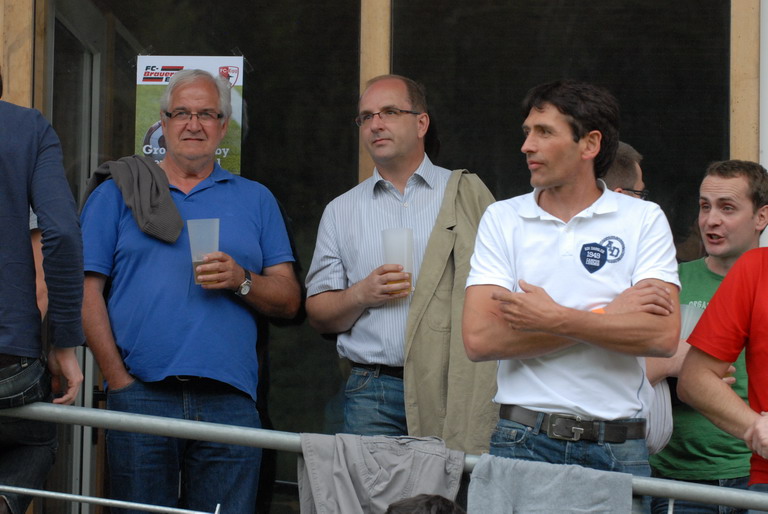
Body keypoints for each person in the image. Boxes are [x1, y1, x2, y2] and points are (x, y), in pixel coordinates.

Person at [80, 69, 300, 513]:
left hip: (230, 400)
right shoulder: (119, 193)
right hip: (141, 392)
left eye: (206, 114)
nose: (193, 124)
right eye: (181, 113)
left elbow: (289, 299)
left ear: (223, 125)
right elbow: (84, 293)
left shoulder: (256, 199)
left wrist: (241, 279)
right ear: (163, 122)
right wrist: (118, 381)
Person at [462, 79, 680, 476]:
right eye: (528, 132)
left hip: (617, 444)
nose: (527, 145)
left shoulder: (643, 219)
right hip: (525, 437)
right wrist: (607, 315)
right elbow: (480, 340)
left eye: (545, 132)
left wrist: (552, 318)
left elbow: (661, 338)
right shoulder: (503, 218)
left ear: (590, 144)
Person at [305, 74, 497, 453]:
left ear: (421, 123)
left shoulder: (463, 193)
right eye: (366, 117)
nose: (376, 124)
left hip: (452, 385)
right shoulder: (341, 210)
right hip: (374, 390)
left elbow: (501, 289)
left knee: (452, 490)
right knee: (373, 491)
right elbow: (319, 315)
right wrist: (361, 294)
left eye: (390, 112)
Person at [648, 160, 768, 513]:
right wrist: (670, 362)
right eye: (704, 206)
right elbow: (618, 372)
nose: (710, 220)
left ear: (761, 217)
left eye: (726, 208)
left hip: (751, 468)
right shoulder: (669, 282)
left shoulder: (758, 277)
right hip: (681, 474)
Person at [0, 69, 84, 514]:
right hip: (8, 363)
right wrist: (64, 342)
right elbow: (63, 233)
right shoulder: (27, 128)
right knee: (36, 437)